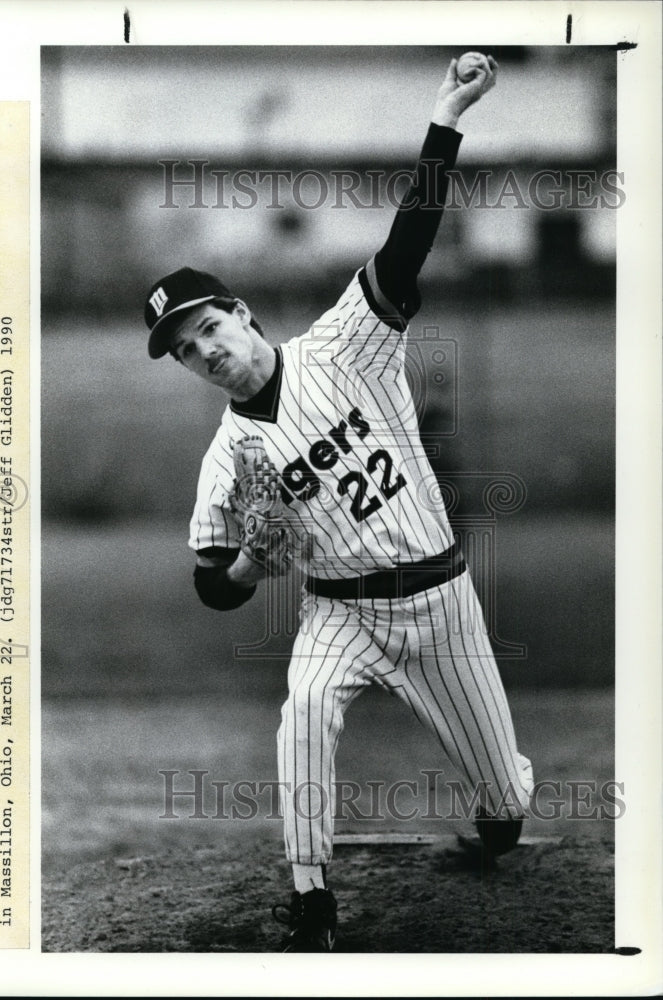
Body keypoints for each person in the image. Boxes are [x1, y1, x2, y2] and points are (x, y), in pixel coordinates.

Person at [144, 54, 533, 952]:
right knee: (304, 712)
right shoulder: (227, 458)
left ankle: (500, 803)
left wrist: (447, 114)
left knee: (504, 803)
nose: (205, 352)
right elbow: (212, 583)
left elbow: (408, 240)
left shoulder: (343, 347)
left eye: (207, 328)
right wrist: (248, 564)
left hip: (439, 604)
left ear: (239, 314)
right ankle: (312, 897)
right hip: (337, 614)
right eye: (185, 351)